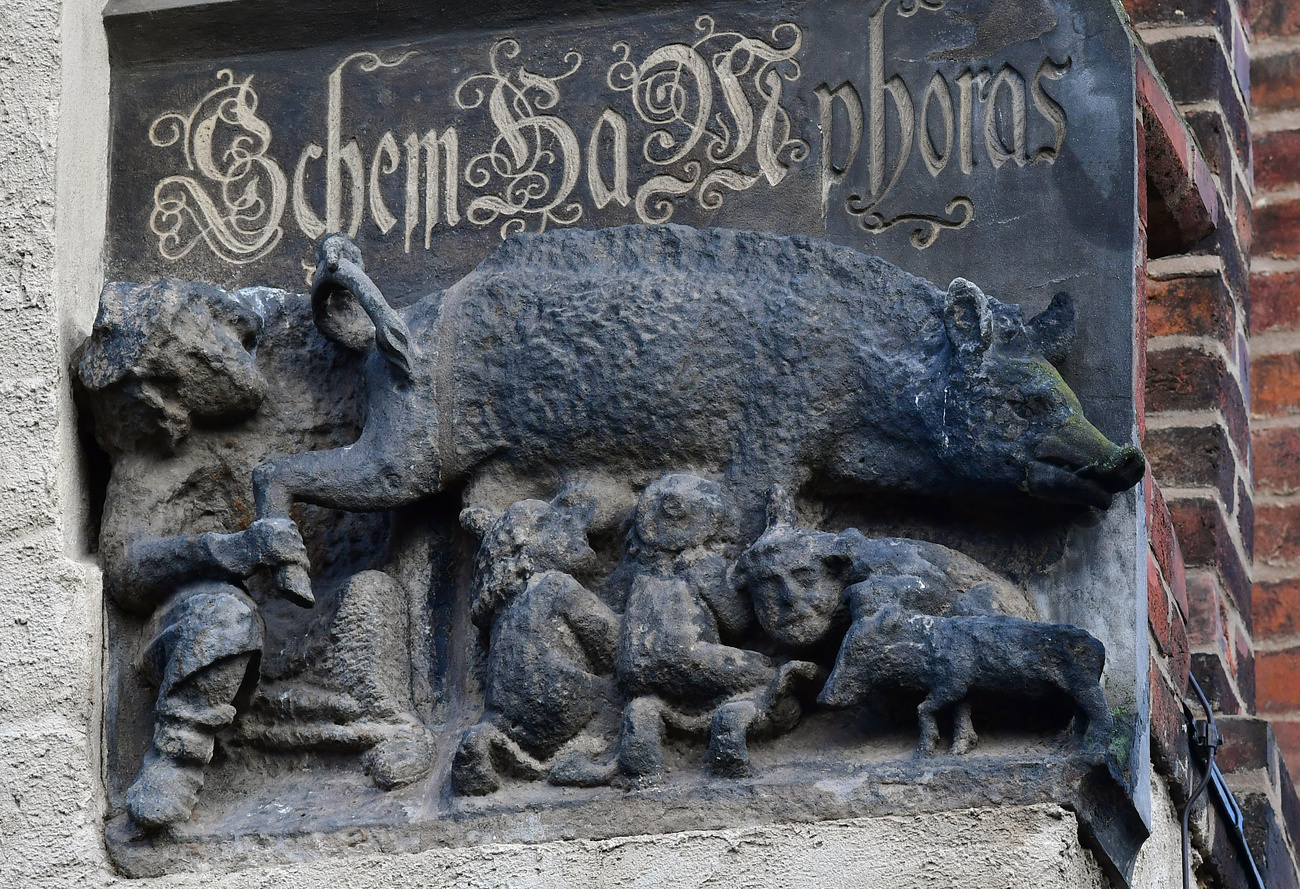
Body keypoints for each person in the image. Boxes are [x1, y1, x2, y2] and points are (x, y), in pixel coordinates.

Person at [77, 280, 310, 828]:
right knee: (219, 615)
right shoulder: (155, 453)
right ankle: (178, 756)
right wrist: (225, 550)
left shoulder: (297, 373)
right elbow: (128, 567)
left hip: (313, 599)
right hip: (197, 617)